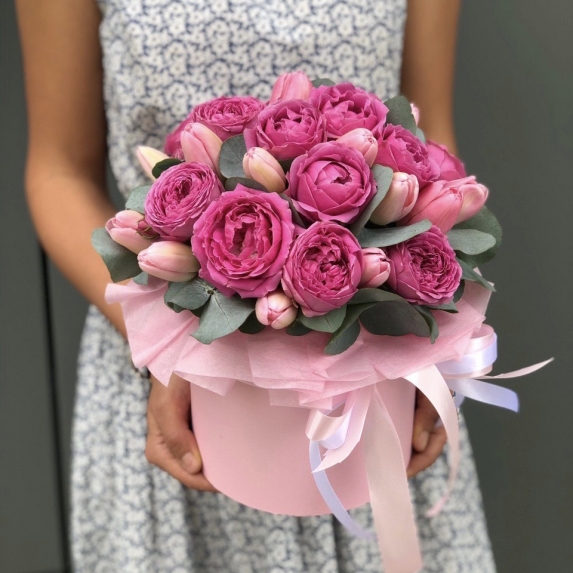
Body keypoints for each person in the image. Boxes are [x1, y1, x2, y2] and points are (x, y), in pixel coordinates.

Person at [16, 0, 496, 570]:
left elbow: (429, 146)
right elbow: (59, 171)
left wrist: (431, 336)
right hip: (177, 379)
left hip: (370, 379)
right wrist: (175, 351)